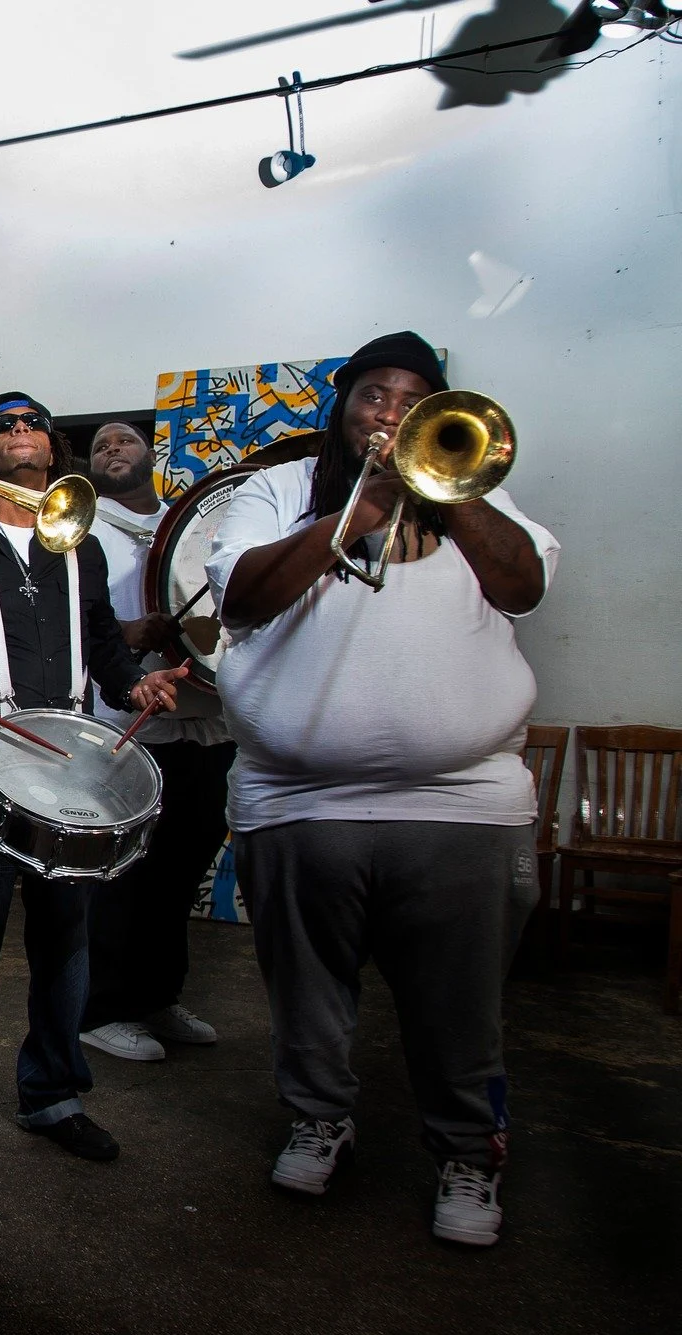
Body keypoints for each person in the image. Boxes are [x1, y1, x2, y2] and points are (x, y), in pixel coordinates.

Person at [207, 330, 557, 1248]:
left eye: (412, 398)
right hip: (298, 802)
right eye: (373, 393)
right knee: (308, 995)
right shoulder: (278, 492)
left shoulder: (484, 487)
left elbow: (521, 589)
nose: (391, 411)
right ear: (343, 408)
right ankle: (321, 1115)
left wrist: (450, 489)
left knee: (461, 1004)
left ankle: (469, 1154)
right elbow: (241, 601)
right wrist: (355, 515)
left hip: (462, 805)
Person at [0, 394, 183, 1167]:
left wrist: (135, 686)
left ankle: (55, 1092)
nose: (19, 434)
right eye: (3, 425)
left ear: (53, 451)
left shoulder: (79, 543)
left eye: (32, 425)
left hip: (66, 748)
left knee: (67, 932)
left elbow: (100, 639)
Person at [75, 420, 235, 1063]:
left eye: (126, 441)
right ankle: (101, 1009)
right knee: (122, 874)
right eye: (101, 445)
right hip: (127, 719)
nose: (113, 449)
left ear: (152, 456)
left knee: (180, 869)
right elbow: (67, 614)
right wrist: (128, 633)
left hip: (202, 721)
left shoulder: (196, 522)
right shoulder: (81, 524)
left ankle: (156, 997)